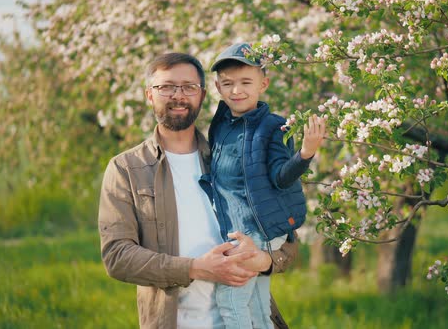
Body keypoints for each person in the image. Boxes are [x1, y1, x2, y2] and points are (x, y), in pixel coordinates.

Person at [98, 52, 299, 329]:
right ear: (149, 95)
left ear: (203, 95)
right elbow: (117, 256)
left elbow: (287, 243)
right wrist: (196, 268)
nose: (178, 96)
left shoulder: (233, 159)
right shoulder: (126, 169)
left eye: (189, 87)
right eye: (166, 87)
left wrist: (263, 260)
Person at [208, 43, 326, 329]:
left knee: (232, 301)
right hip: (236, 225)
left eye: (246, 82)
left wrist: (305, 154)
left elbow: (281, 177)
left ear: (264, 84)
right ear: (217, 87)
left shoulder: (274, 126)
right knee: (258, 305)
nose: (236, 90)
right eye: (228, 84)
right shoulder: (221, 124)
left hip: (254, 228)